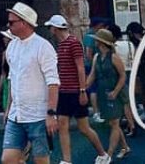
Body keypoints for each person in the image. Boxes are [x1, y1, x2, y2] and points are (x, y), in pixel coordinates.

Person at [45, 15, 110, 164]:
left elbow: (80, 68)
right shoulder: (61, 45)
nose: (50, 30)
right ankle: (66, 160)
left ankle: (102, 153)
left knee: (84, 128)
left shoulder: (73, 43)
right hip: (64, 91)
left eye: (51, 27)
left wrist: (82, 90)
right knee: (62, 125)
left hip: (74, 91)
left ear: (55, 28)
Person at [0, 3, 59, 164]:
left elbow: (53, 82)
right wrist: (8, 109)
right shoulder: (12, 47)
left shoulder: (43, 47)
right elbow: (12, 80)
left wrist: (51, 113)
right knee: (8, 159)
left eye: (11, 22)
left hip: (38, 115)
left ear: (24, 23)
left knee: (41, 160)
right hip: (16, 115)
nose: (8, 25)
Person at [85, 29, 128, 161]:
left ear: (101, 42)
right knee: (111, 122)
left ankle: (108, 154)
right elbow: (93, 74)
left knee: (114, 122)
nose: (95, 42)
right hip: (103, 92)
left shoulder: (114, 58)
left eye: (97, 40)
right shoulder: (97, 57)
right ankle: (125, 147)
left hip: (114, 92)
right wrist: (83, 88)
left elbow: (122, 75)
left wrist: (115, 91)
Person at [82, 18, 109, 122]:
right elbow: (89, 54)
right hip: (91, 65)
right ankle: (96, 112)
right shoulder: (90, 37)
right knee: (93, 89)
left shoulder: (88, 35)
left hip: (92, 64)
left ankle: (98, 110)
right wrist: (96, 64)